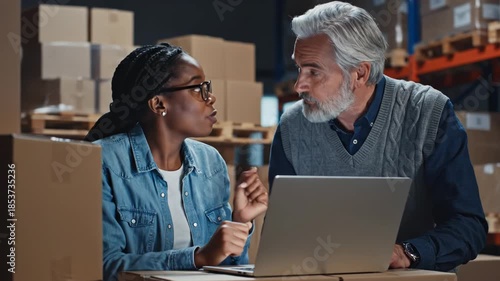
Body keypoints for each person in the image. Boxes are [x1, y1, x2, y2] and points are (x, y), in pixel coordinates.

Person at [269, 1, 487, 272]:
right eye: (299, 68)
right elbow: (284, 231)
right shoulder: (292, 127)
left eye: (314, 71)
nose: (299, 84)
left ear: (360, 73)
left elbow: (468, 226)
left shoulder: (429, 113)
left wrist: (407, 253)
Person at [84, 43, 268, 281]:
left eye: (207, 87)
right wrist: (197, 258)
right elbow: (104, 266)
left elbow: (229, 268)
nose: (210, 97)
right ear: (159, 104)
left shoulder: (211, 163)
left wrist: (241, 221)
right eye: (197, 88)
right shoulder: (103, 162)